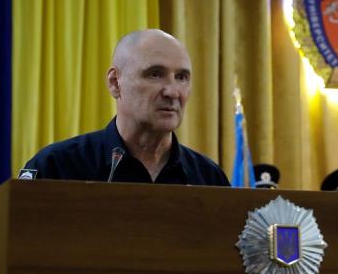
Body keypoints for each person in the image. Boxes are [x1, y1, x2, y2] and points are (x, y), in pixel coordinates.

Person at [19, 29, 229, 186]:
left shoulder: (208, 178)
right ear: (115, 82)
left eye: (181, 77)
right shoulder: (57, 167)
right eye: (155, 74)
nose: (173, 92)